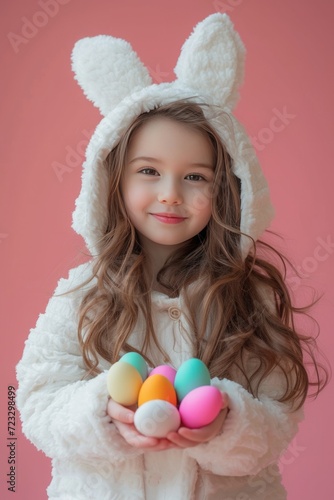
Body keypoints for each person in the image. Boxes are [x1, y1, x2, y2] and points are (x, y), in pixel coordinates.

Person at [16, 13, 328, 500]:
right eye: (148, 171)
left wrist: (226, 419)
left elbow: (278, 418)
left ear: (228, 188)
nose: (169, 195)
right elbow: (36, 398)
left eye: (195, 177)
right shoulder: (83, 292)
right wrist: (105, 411)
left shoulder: (252, 295)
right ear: (112, 181)